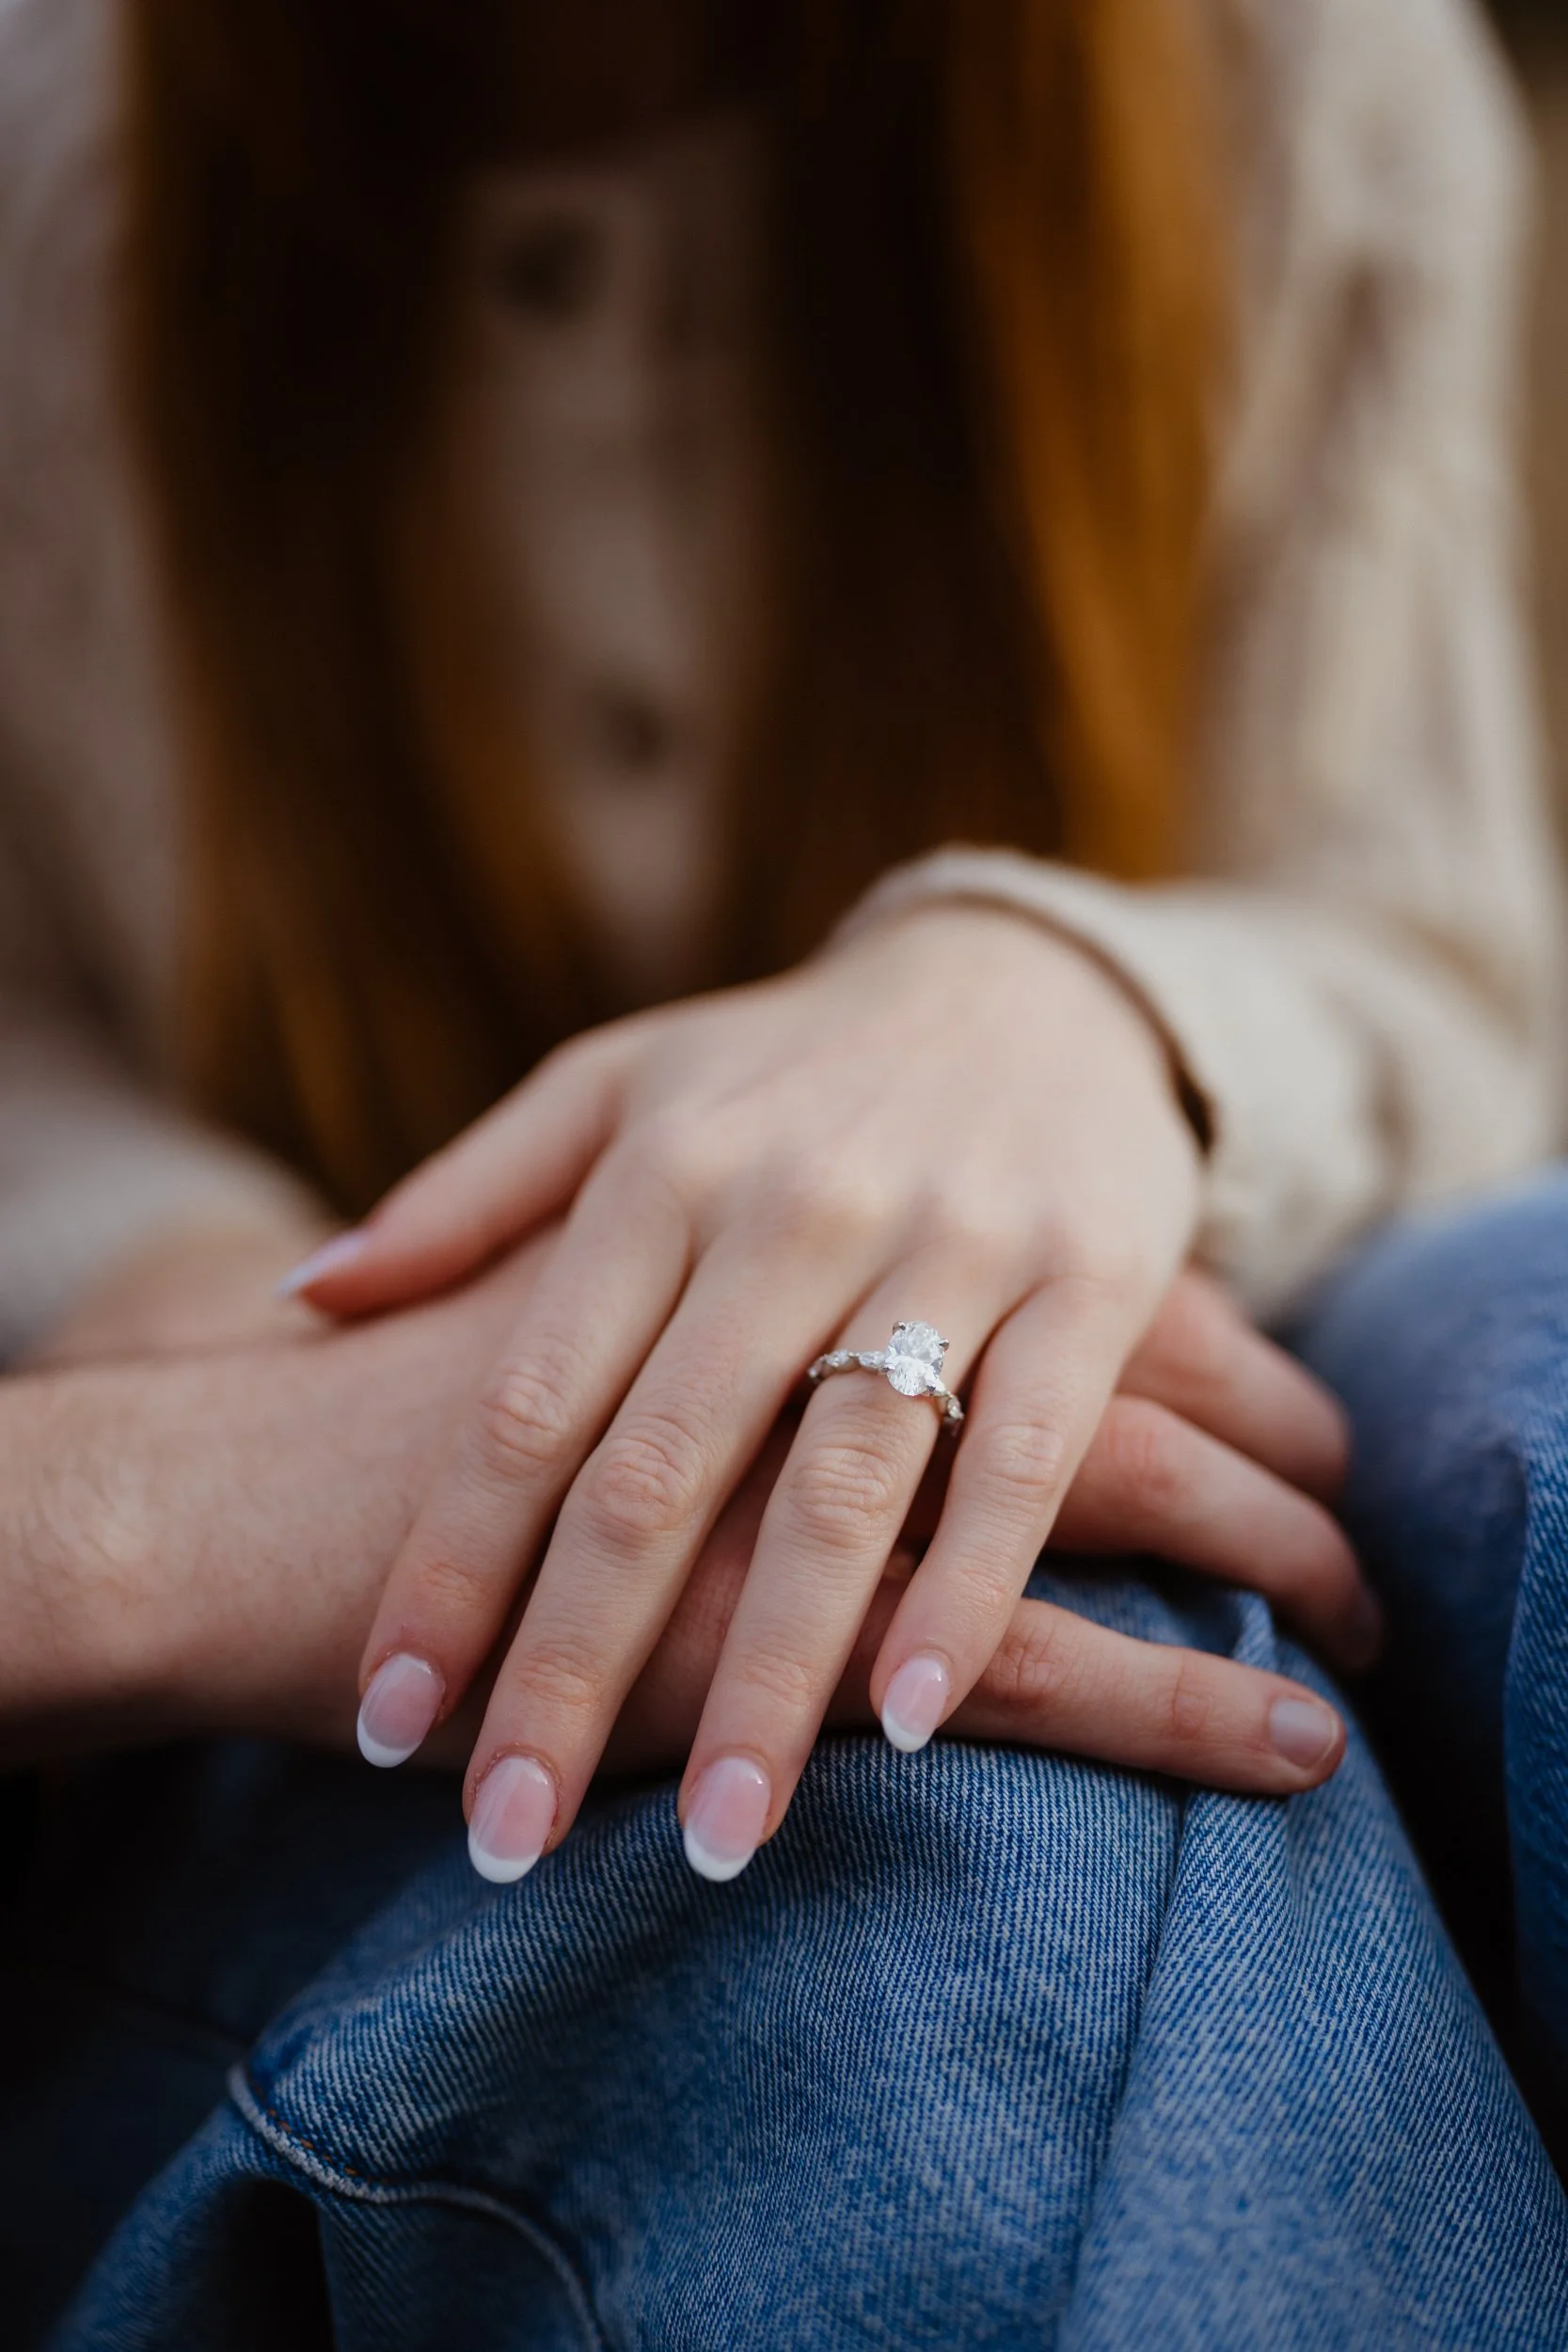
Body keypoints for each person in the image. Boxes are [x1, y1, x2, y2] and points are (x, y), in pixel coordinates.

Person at [1, 0, 1566, 2340]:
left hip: (1240, 1235)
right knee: (998, 1748)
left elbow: (1443, 943)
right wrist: (213, 1303)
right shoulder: (56, 139)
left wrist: (1062, 998)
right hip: (282, 1439)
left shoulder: (1298, 71)